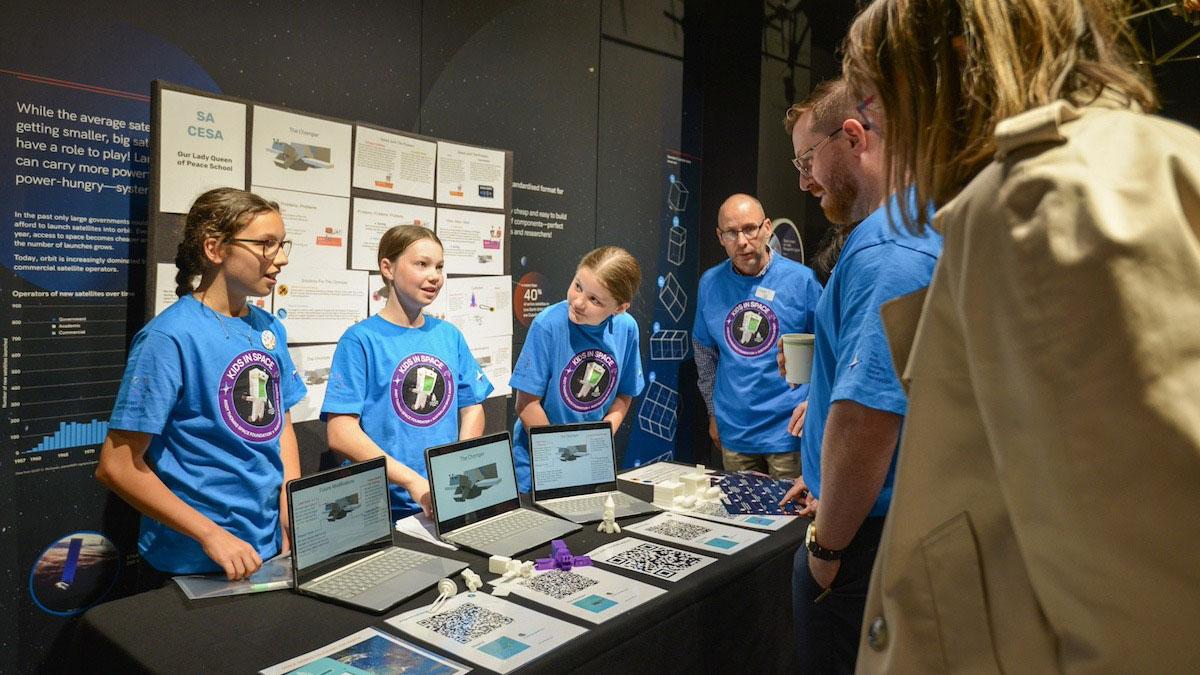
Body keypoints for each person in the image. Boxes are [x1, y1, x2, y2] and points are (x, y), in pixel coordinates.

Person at [842, 0, 1200, 671]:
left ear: (948, 65)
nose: (872, 122)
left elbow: (1155, 628)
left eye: (875, 94)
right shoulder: (1103, 170)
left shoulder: (1043, 203)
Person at [778, 80, 941, 673]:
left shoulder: (885, 252)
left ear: (851, 137)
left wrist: (828, 543)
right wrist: (824, 481)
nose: (803, 180)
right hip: (876, 522)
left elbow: (869, 417)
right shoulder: (912, 226)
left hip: (865, 547)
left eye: (805, 159)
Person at [96, 188, 306, 584]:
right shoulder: (169, 337)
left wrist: (290, 501)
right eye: (266, 244)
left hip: (264, 550)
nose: (281, 257)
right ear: (215, 249)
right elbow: (117, 465)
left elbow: (282, 425)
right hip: (191, 562)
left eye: (281, 244)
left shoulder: (269, 328)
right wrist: (210, 535)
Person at [323, 225, 492, 518]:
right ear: (388, 268)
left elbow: (472, 407)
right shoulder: (361, 340)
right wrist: (411, 480)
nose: (434, 276)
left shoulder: (449, 335)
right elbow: (340, 432)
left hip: (444, 500)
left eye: (439, 266)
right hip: (381, 508)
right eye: (422, 264)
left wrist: (458, 464)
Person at [693, 194, 821, 479]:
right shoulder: (711, 284)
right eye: (731, 232)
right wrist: (713, 413)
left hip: (789, 430)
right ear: (720, 236)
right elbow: (704, 354)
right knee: (742, 519)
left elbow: (830, 347)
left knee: (789, 517)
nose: (742, 241)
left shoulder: (802, 281)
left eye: (750, 229)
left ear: (766, 228)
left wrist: (816, 403)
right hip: (735, 429)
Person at [509, 246, 644, 491]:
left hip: (588, 464)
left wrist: (598, 440)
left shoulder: (627, 328)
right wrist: (562, 455)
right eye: (578, 286)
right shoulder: (547, 325)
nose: (579, 302)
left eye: (595, 300)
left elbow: (624, 394)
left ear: (620, 307)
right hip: (538, 466)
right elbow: (526, 404)